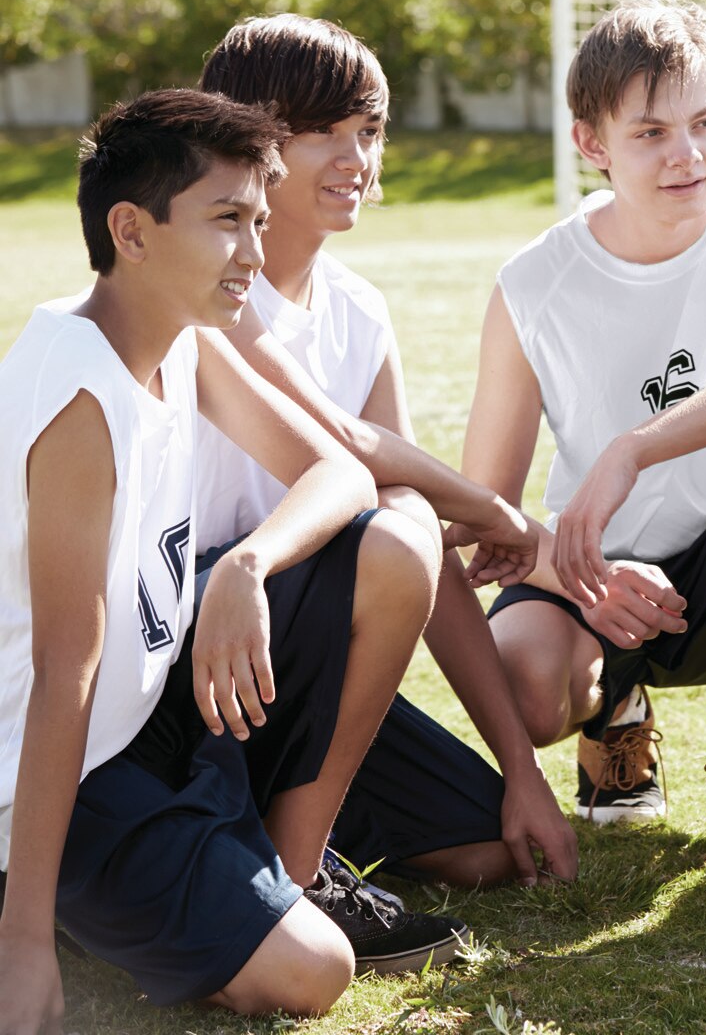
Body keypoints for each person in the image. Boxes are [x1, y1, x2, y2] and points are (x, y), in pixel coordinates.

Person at [0, 90, 465, 1031]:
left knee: (393, 542)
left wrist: (247, 568)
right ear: (130, 230)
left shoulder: (182, 339)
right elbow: (63, 675)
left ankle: (277, 869)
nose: (255, 253)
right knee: (311, 974)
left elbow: (340, 472)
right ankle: (46, 908)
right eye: (227, 222)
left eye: (258, 219)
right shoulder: (80, 396)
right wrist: (22, 948)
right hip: (56, 777)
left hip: (152, 708)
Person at [469, 0, 706, 875]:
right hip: (590, 578)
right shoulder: (533, 284)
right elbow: (479, 514)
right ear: (591, 144)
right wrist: (581, 573)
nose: (686, 156)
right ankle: (614, 714)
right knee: (524, 686)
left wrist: (635, 446)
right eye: (649, 133)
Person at [195, 14, 578, 891]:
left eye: (368, 131)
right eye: (321, 131)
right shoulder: (211, 284)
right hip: (200, 634)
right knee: (404, 515)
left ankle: (276, 820)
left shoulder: (359, 310)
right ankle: (293, 874)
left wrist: (522, 769)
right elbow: (347, 447)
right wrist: (498, 515)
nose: (354, 159)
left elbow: (419, 548)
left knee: (485, 844)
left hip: (298, 651)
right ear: (246, 139)